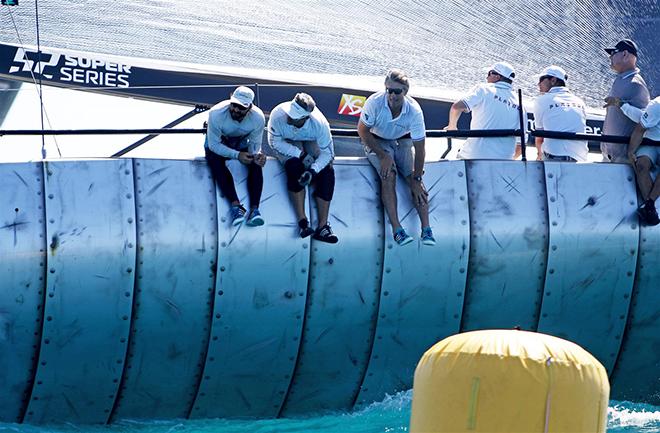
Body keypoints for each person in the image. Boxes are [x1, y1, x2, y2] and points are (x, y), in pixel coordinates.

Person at [358, 69, 435, 246]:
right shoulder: (375, 102)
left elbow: (420, 148)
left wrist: (417, 176)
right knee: (389, 175)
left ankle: (427, 229)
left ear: (405, 92)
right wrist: (382, 155)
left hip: (401, 141)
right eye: (389, 90)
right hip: (376, 140)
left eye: (397, 91)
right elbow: (362, 130)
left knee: (415, 181)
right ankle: (397, 229)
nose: (392, 95)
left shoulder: (414, 111)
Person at [267, 93, 338, 243]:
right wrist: (300, 154)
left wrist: (313, 170)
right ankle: (302, 222)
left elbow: (328, 154)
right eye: (290, 114)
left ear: (306, 118)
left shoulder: (320, 124)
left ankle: (323, 226)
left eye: (294, 117)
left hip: (309, 138)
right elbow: (274, 142)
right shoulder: (279, 113)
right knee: (294, 167)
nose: (289, 118)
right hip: (285, 140)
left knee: (327, 171)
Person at [205, 86, 267, 226]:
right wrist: (237, 155)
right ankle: (235, 206)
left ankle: (254, 210)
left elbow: (255, 144)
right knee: (214, 159)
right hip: (219, 141)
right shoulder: (216, 113)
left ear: (250, 107)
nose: (236, 110)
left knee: (256, 163)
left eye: (241, 107)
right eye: (234, 105)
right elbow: (214, 145)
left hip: (240, 141)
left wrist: (257, 155)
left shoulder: (258, 118)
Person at [445, 61, 523, 160]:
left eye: (489, 73)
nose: (486, 77)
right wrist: (508, 160)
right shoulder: (520, 103)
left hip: (473, 156)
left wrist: (452, 128)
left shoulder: (483, 89)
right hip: (504, 161)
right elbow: (521, 144)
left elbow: (456, 107)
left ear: (497, 76)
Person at [612, 96, 660, 225]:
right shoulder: (657, 105)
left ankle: (649, 206)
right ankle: (651, 207)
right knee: (641, 166)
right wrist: (631, 152)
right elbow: (640, 128)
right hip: (651, 144)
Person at [601, 39, 650, 163]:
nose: (610, 57)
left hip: (621, 159)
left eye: (613, 53)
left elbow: (645, 120)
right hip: (609, 155)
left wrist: (621, 104)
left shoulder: (636, 84)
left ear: (625, 54)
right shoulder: (620, 79)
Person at [533, 65, 588, 162]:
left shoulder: (542, 100)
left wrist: (539, 156)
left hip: (554, 158)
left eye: (541, 79)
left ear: (553, 80)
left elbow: (539, 138)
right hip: (581, 159)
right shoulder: (580, 102)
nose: (538, 84)